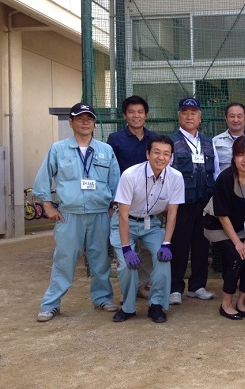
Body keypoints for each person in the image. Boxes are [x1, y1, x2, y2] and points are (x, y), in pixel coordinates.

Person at [33, 102, 120, 322]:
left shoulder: (105, 150)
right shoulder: (58, 149)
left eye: (89, 118)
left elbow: (115, 182)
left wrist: (111, 208)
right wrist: (47, 205)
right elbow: (43, 177)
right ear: (71, 122)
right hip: (69, 215)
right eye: (80, 118)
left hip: (99, 214)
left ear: (94, 123)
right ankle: (51, 304)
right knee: (64, 260)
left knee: (100, 260)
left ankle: (102, 297)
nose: (85, 122)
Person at [110, 136, 184, 323]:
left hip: (152, 224)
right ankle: (128, 307)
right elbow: (122, 215)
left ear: (171, 157)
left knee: (163, 259)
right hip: (126, 221)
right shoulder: (130, 175)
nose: (161, 157)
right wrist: (127, 248)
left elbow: (173, 214)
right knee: (127, 265)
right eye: (157, 152)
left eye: (166, 153)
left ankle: (156, 305)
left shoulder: (176, 177)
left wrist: (166, 244)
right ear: (148, 154)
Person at [204, 136, 245, 320]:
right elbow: (221, 215)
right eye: (240, 155)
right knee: (236, 257)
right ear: (233, 158)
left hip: (242, 227)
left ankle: (241, 302)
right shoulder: (225, 178)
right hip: (216, 225)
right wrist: (238, 244)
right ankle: (226, 304)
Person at [107, 95, 157, 300]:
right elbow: (111, 173)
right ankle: (127, 290)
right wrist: (112, 203)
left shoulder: (154, 139)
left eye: (140, 112)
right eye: (131, 112)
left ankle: (141, 285)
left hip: (149, 207)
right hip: (124, 205)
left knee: (147, 251)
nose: (136, 116)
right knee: (124, 250)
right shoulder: (115, 139)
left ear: (146, 115)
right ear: (125, 115)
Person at [169, 97, 218, 305]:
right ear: (179, 116)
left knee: (201, 245)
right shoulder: (170, 141)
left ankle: (198, 286)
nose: (190, 116)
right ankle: (175, 288)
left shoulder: (208, 142)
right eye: (185, 112)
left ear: (200, 117)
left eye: (194, 112)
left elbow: (214, 172)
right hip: (181, 205)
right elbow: (167, 174)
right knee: (179, 246)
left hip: (204, 204)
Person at [213, 102, 245, 173]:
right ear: (226, 119)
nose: (235, 120)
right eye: (232, 116)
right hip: (224, 182)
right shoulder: (216, 141)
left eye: (239, 116)